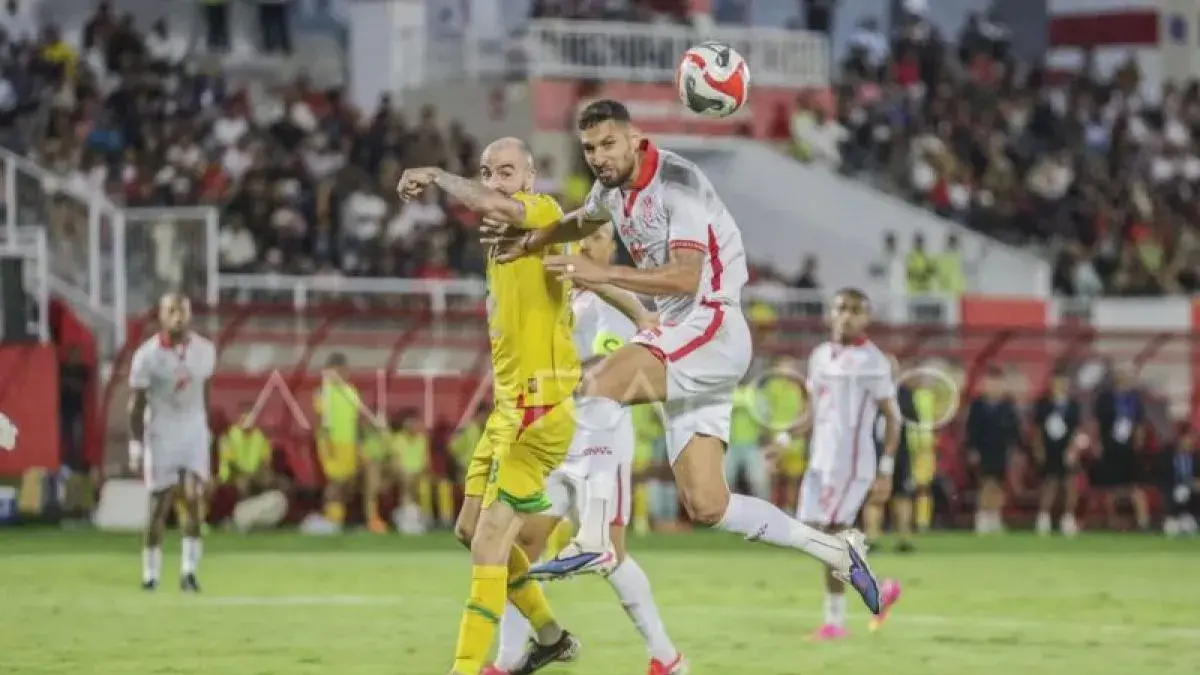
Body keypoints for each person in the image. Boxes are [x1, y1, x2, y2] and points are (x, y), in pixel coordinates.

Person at [480, 100, 882, 615]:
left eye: (608, 144)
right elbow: (582, 221)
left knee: (598, 386)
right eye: (589, 149)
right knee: (708, 503)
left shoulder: (678, 183)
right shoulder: (610, 190)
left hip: (710, 322)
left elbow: (687, 276)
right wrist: (532, 242)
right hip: (686, 339)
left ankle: (596, 534)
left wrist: (604, 275)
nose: (599, 157)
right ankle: (835, 549)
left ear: (634, 138)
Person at [396, 137, 589, 675]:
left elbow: (500, 208)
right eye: (487, 172)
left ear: (529, 178)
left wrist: (435, 173)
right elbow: (495, 214)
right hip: (510, 408)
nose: (495, 181)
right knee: (467, 530)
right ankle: (550, 639)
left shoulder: (544, 214)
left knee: (488, 546)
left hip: (541, 409)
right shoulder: (500, 242)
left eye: (507, 171)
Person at [488, 223, 686, 675]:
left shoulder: (614, 300)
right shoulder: (567, 301)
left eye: (595, 239)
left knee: (610, 555)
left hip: (601, 439)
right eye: (578, 240)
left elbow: (609, 367)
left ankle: (667, 658)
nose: (584, 246)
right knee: (524, 541)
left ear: (609, 247)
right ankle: (508, 660)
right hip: (557, 439)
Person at [798, 289, 902, 641]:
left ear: (866, 318)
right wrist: (783, 441)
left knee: (831, 536)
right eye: (841, 308)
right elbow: (813, 412)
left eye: (856, 310)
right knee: (815, 535)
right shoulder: (819, 356)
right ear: (830, 313)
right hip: (820, 460)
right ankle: (878, 589)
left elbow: (892, 417)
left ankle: (835, 623)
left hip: (853, 462)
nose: (847, 316)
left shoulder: (873, 361)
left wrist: (886, 468)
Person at [128, 293, 216, 592]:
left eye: (184, 311)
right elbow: (136, 404)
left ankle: (188, 572)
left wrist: (208, 430)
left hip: (192, 429)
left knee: (193, 498)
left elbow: (205, 391)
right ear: (162, 317)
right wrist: (136, 443)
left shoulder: (205, 350)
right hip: (162, 431)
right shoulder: (146, 356)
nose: (179, 317)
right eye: (172, 311)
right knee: (158, 506)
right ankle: (150, 574)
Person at [864, 355, 918, 555]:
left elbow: (913, 419)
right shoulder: (868, 394)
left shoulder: (904, 393)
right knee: (875, 494)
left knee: (902, 494)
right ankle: (871, 537)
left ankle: (904, 537)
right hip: (875, 451)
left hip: (900, 451)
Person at [1091, 367, 1151, 530]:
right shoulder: (1105, 398)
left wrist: (1138, 442)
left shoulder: (1134, 399)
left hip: (1129, 447)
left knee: (1135, 487)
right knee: (1111, 487)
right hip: (1110, 446)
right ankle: (1113, 520)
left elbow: (1139, 423)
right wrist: (1097, 443)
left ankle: (1143, 521)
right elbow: (1097, 422)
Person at [965, 367, 1020, 534]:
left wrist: (1015, 449)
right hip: (983, 450)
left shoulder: (1007, 405)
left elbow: (1014, 430)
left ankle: (995, 516)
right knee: (985, 483)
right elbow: (971, 429)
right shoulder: (978, 405)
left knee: (999, 485)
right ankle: (982, 517)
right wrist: (972, 449)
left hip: (1001, 450)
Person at [313, 353, 362, 530]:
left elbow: (355, 421)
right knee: (335, 482)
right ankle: (330, 521)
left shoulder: (351, 392)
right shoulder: (324, 391)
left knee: (346, 484)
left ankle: (335, 518)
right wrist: (326, 441)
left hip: (348, 444)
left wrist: (358, 445)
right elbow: (320, 418)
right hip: (331, 443)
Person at [1031, 369, 1083, 537]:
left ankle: (1068, 518)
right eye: (1056, 383)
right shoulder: (1043, 404)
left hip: (1067, 449)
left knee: (1069, 483)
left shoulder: (1073, 405)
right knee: (1050, 482)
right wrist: (1039, 449)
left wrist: (1073, 449)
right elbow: (1037, 429)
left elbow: (1077, 429)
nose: (1059, 386)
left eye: (1063, 383)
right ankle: (1043, 518)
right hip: (1049, 448)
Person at [1162, 425, 1199, 537]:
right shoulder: (1168, 457)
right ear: (1180, 439)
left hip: (1193, 492)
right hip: (1173, 490)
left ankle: (1190, 517)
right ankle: (1174, 517)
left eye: (1193, 438)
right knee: (1181, 492)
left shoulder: (1196, 458)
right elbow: (1163, 478)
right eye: (1189, 437)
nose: (1192, 441)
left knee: (1187, 491)